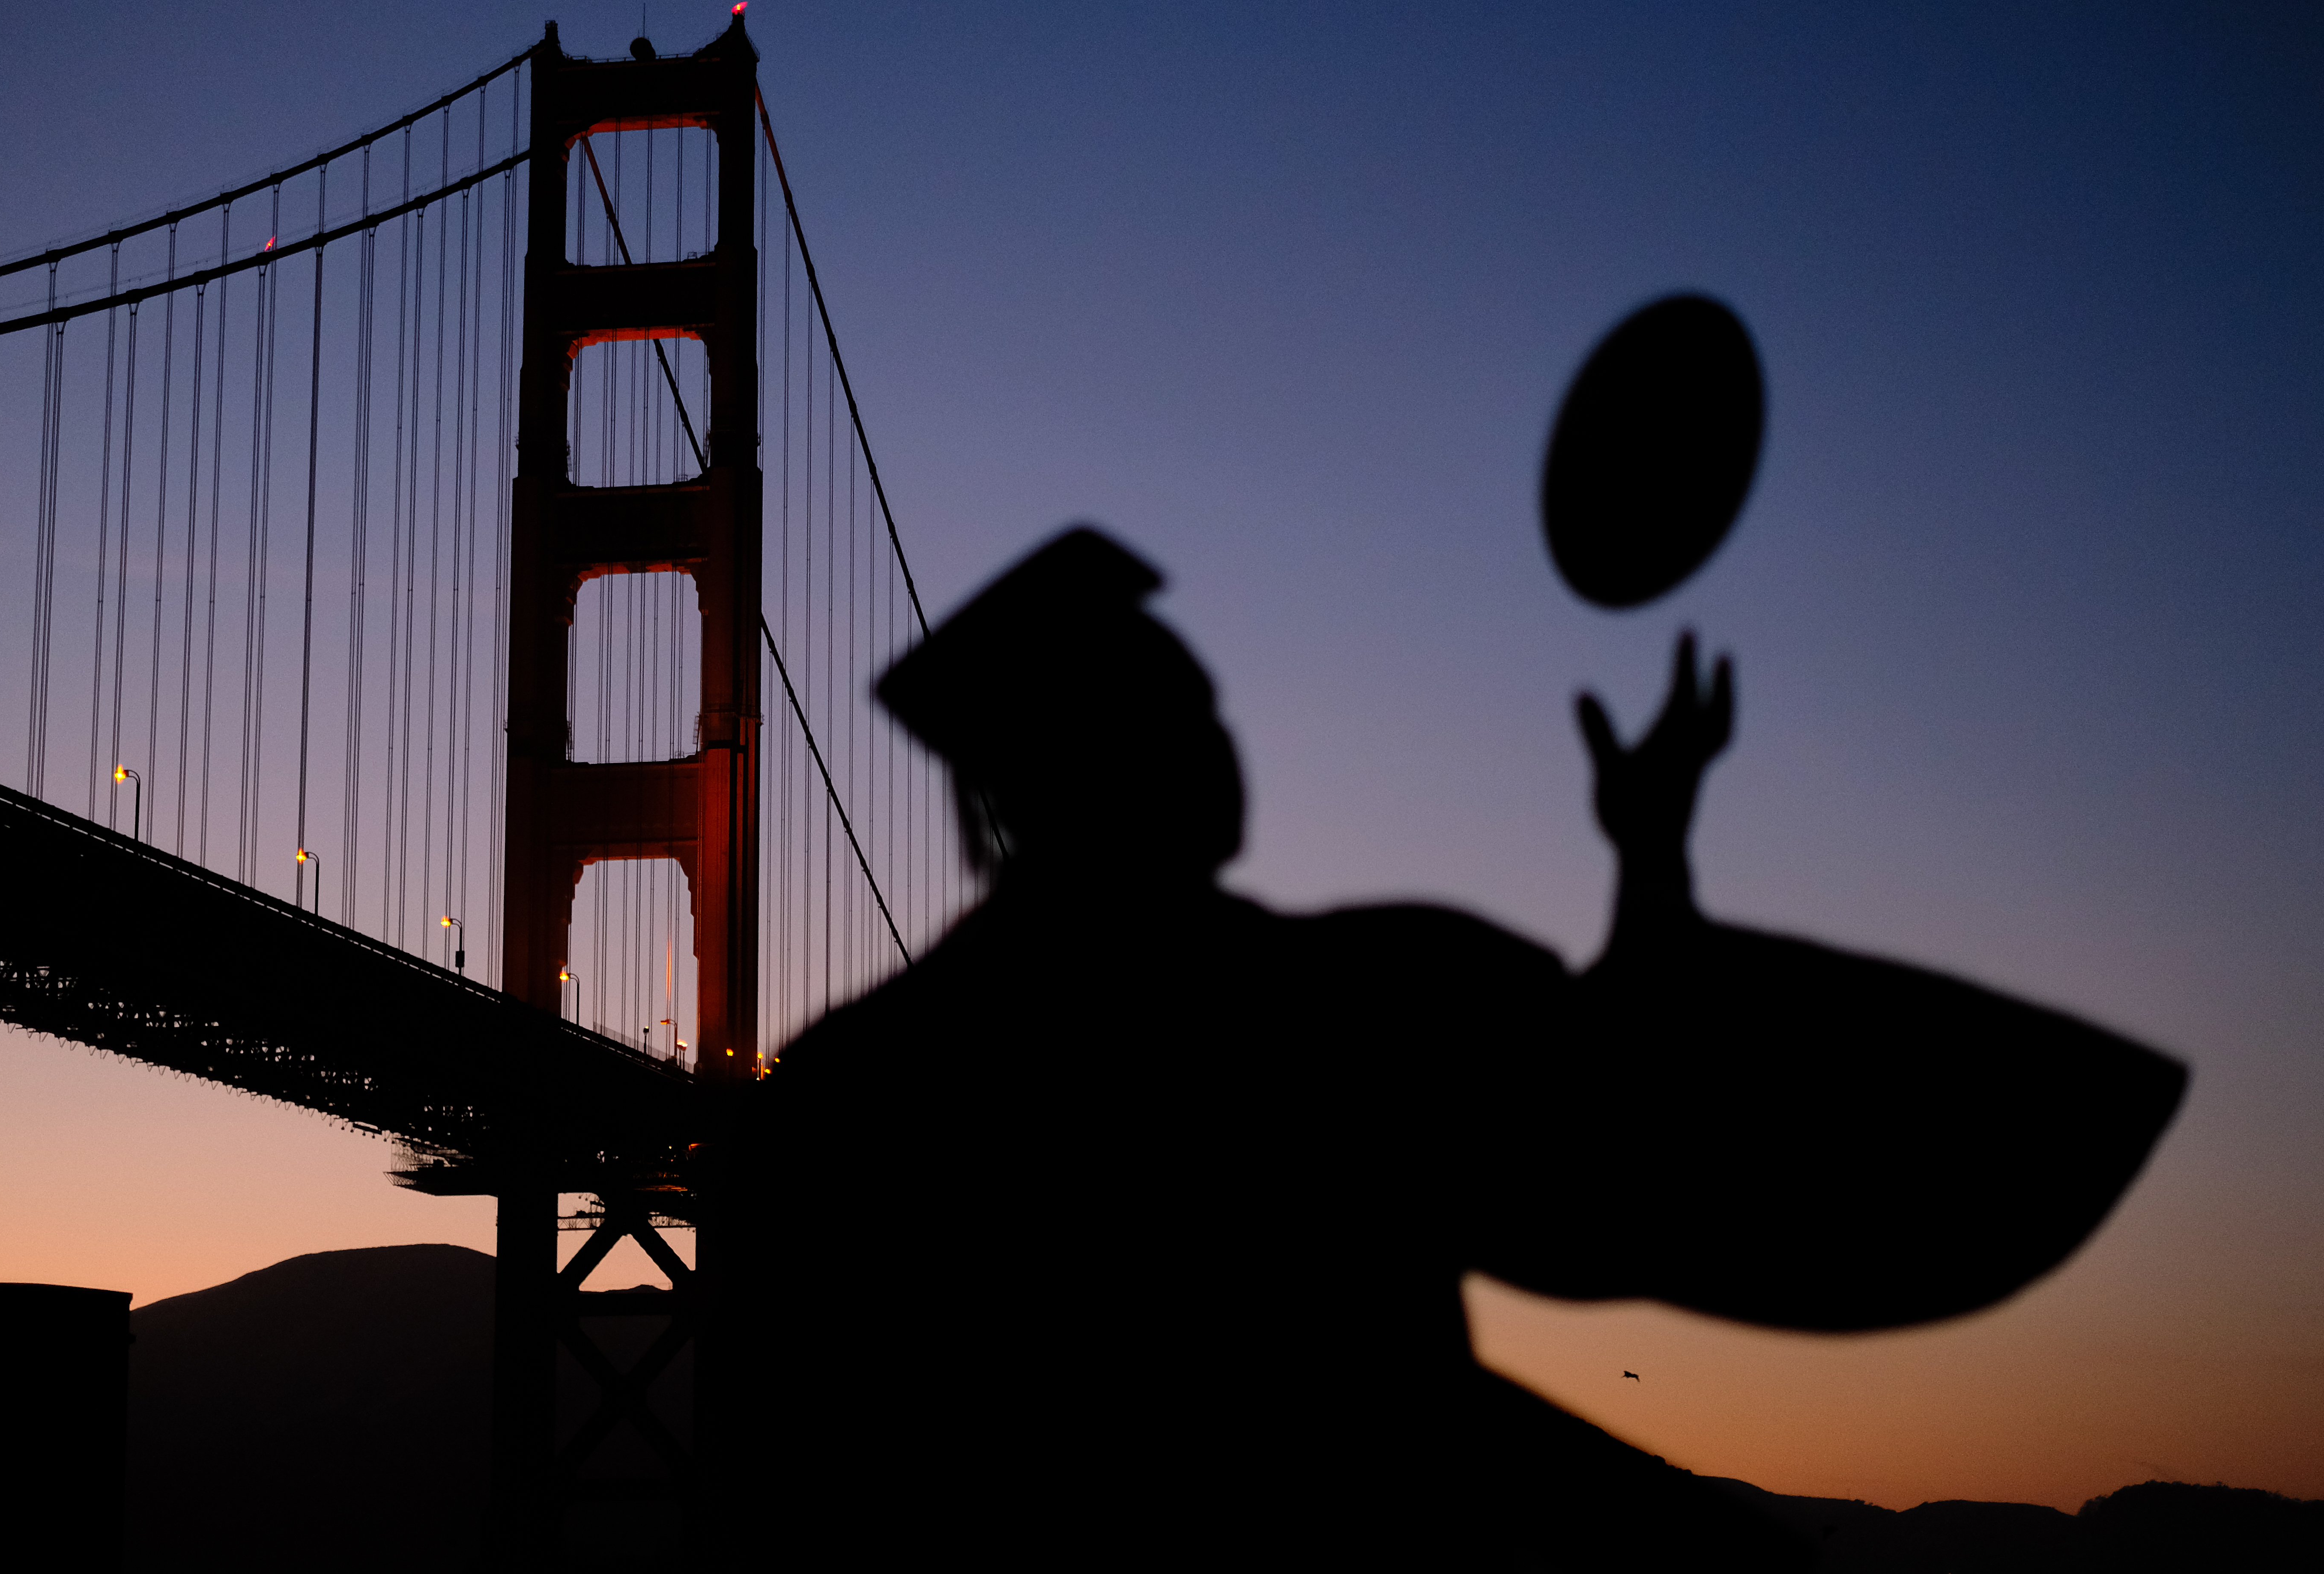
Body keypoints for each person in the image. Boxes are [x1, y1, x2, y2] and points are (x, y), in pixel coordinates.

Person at [720, 528, 2185, 1569]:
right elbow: (1639, 1143)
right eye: (1187, 714)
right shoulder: (1339, 1001)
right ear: (1120, 761)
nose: (1224, 744)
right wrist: (1656, 870)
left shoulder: (843, 1090)